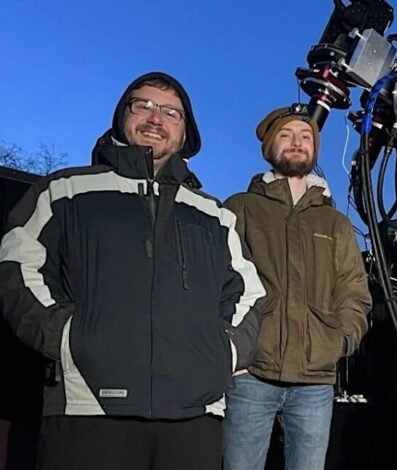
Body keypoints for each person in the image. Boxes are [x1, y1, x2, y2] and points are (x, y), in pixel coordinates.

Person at [0, 72, 265, 470]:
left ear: (185, 133)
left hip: (194, 417)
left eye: (172, 112)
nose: (156, 118)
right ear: (122, 116)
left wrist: (224, 352)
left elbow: (248, 293)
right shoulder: (65, 190)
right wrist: (67, 338)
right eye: (144, 105)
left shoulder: (214, 214)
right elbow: (18, 266)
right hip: (88, 408)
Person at [222, 103, 372, 470]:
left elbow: (354, 291)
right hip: (250, 375)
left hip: (314, 381)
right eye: (286, 135)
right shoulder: (240, 208)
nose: (297, 142)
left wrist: (339, 343)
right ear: (269, 147)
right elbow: (218, 282)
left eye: (306, 136)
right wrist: (231, 347)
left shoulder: (334, 222)